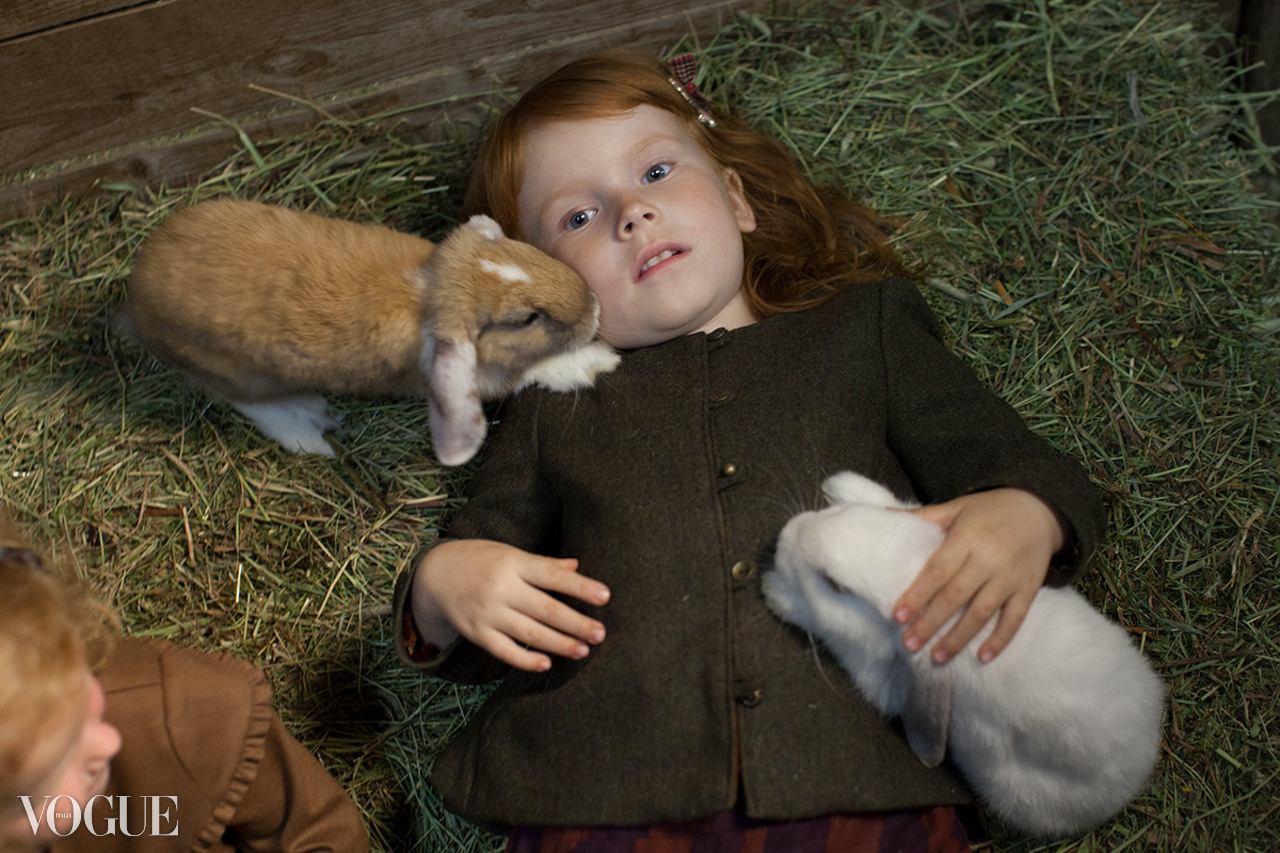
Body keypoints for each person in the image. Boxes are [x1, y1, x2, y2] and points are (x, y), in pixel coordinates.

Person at [393, 49, 1106, 851]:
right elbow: (488, 580)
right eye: (579, 217)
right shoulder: (554, 405)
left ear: (736, 200)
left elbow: (1012, 459)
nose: (632, 212)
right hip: (603, 797)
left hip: (862, 782)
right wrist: (440, 588)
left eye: (656, 172)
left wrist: (1027, 514)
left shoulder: (860, 333)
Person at [0, 515, 371, 853]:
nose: (108, 742)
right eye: (49, 773)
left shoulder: (182, 714)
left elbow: (323, 834)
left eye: (80, 689)